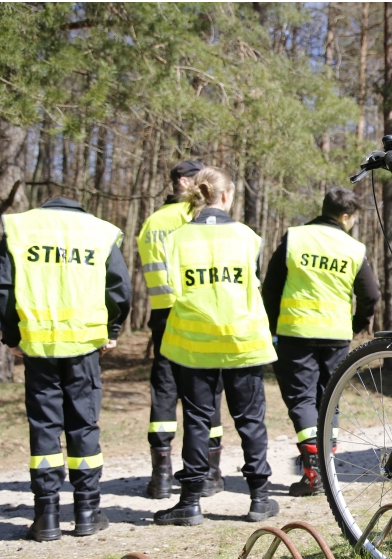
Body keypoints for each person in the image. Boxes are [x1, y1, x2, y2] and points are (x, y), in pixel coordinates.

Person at [0, 197, 131, 541]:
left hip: (38, 346)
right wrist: (110, 332)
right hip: (85, 346)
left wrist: (13, 335)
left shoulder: (20, 228)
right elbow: (118, 289)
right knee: (83, 425)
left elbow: (4, 288)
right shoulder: (99, 231)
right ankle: (87, 511)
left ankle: (46, 516)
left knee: (44, 427)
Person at [154, 167, 278, 526]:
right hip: (243, 340)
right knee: (250, 420)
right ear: (226, 196)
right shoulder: (247, 237)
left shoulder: (176, 239)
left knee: (196, 420)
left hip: (193, 342)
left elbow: (174, 287)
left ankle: (190, 502)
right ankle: (260, 498)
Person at [262, 187, 379, 495]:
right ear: (345, 216)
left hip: (294, 332)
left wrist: (272, 327)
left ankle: (312, 473)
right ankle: (326, 471)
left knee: (301, 400)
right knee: (330, 398)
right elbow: (370, 295)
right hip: (336, 335)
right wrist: (356, 323)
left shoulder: (295, 238)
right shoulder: (353, 248)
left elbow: (271, 288)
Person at [137, 160, 225, 500]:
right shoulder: (199, 217)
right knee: (205, 389)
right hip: (198, 311)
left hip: (163, 313)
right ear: (184, 181)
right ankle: (211, 473)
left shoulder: (152, 222)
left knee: (164, 388)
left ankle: (160, 478)